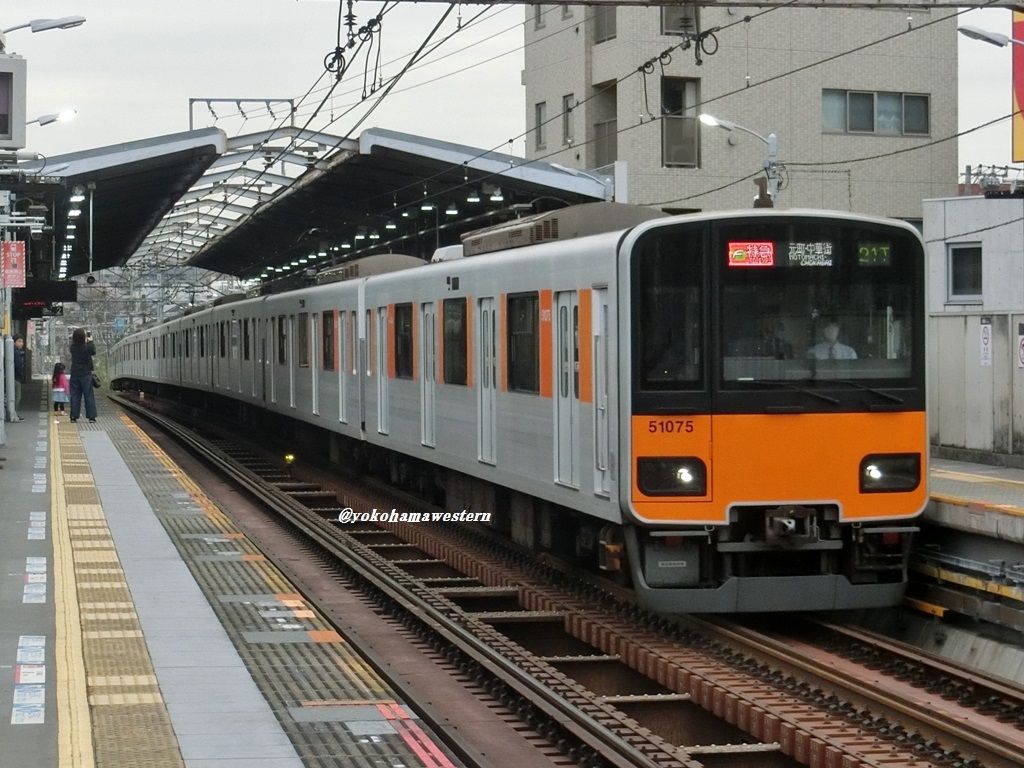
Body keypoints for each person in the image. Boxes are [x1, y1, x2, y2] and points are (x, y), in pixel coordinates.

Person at [69, 328, 97, 423]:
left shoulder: (73, 347)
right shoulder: (87, 347)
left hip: (75, 373)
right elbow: (93, 351)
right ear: (83, 337)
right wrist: (90, 341)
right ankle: (91, 417)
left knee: (75, 395)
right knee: (88, 395)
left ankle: (73, 416)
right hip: (85, 374)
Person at [12, 334, 26, 420]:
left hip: (12, 377)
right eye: (19, 341)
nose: (21, 343)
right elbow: (18, 366)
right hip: (16, 377)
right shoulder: (16, 352)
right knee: (17, 397)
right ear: (14, 342)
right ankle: (13, 414)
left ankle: (13, 413)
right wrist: (21, 375)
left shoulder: (13, 350)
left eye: (22, 341)